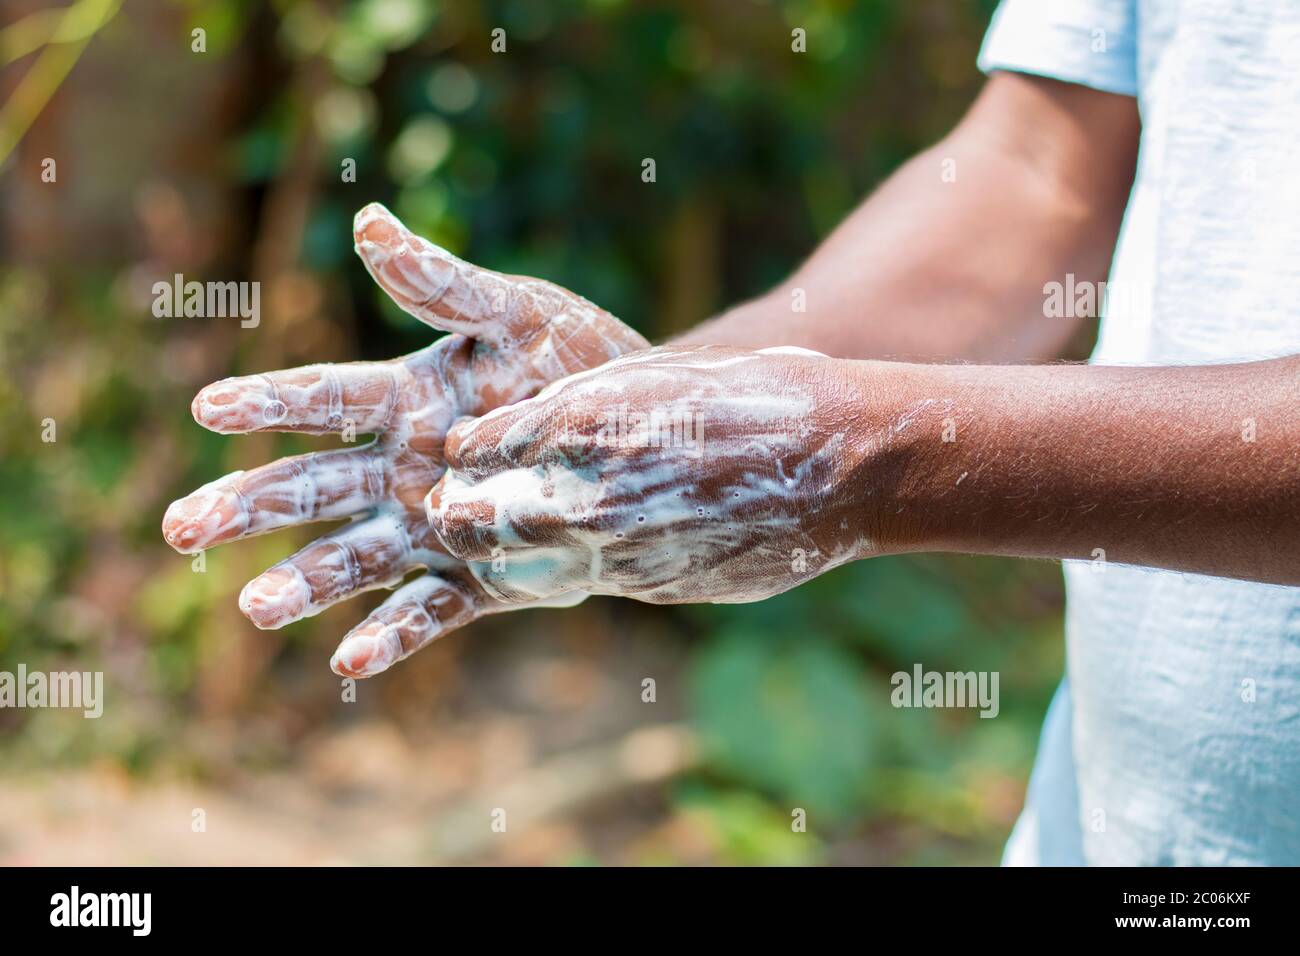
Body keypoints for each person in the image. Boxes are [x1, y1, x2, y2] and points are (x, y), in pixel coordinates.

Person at [164, 1, 1300, 865]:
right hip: (1111, 830)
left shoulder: (865, 460)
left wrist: (866, 459)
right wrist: (651, 397)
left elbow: (862, 445)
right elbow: (1037, 170)